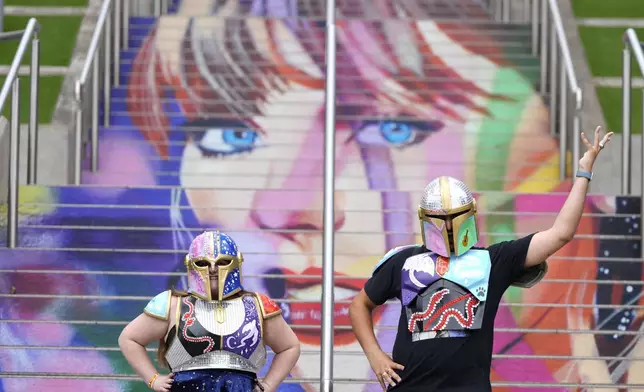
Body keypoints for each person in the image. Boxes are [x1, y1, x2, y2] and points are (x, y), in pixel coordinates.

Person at [349, 127, 614, 391]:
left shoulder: (493, 261)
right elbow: (360, 304)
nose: (449, 227)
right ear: (425, 218)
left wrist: (583, 172)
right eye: (440, 219)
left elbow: (560, 234)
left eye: (455, 217)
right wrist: (375, 355)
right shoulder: (404, 261)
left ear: (470, 214)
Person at [118, 230, 301, 392]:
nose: (213, 269)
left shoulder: (259, 305)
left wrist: (268, 386)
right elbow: (129, 339)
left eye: (222, 262)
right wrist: (154, 379)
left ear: (236, 263)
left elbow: (289, 347)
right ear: (191, 264)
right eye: (203, 263)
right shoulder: (171, 304)